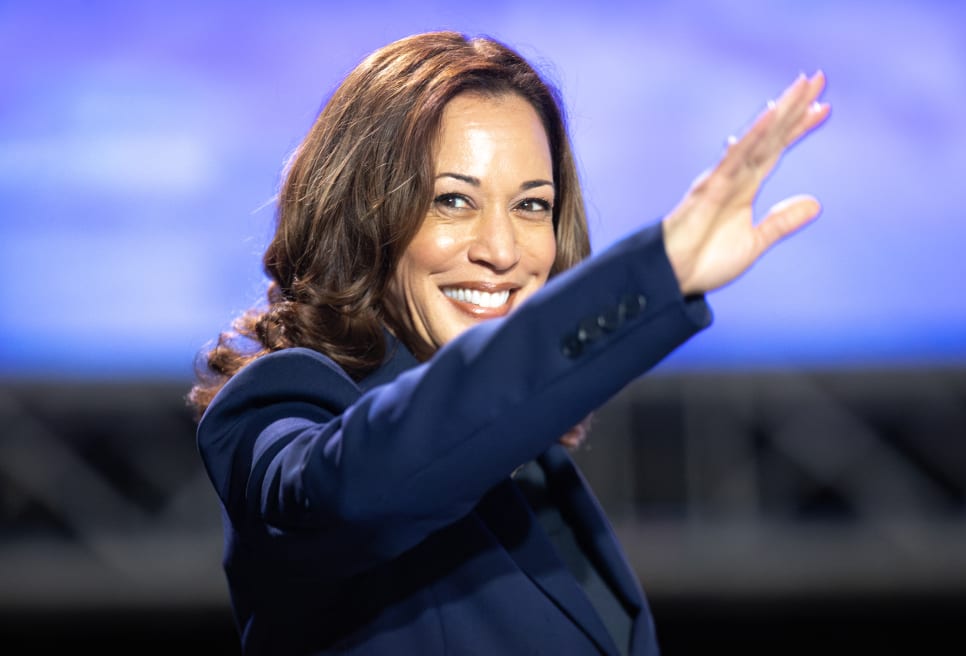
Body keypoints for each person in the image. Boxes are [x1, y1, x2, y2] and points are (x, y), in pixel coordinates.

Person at [188, 30, 829, 656]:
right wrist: (653, 276)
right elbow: (354, 490)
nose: (501, 252)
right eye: (453, 200)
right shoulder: (281, 411)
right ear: (362, 217)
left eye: (530, 206)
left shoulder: (536, 470)